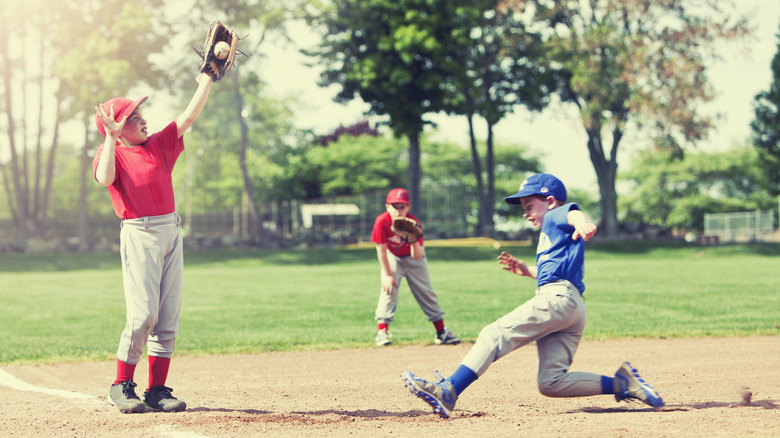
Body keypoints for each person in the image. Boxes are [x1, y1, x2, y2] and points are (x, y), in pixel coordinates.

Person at [401, 173, 664, 418]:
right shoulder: (551, 234)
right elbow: (557, 271)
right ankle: (622, 384)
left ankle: (448, 390)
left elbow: (573, 212)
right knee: (551, 382)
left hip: (558, 300)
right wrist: (528, 271)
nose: (525, 213)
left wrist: (584, 224)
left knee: (493, 334)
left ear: (549, 201)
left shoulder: (555, 215)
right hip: (572, 306)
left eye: (528, 206)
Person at [93, 73, 214, 413]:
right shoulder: (110, 152)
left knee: (166, 316)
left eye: (140, 114)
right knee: (143, 313)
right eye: (133, 117)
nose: (142, 119)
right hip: (139, 232)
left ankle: (157, 390)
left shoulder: (158, 146)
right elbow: (104, 179)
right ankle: (121, 384)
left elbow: (189, 116)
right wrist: (113, 139)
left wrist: (207, 79)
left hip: (170, 231)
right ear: (115, 126)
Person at [371, 188, 460, 347]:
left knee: (426, 292)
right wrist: (388, 275)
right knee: (388, 290)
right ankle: (382, 331)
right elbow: (381, 250)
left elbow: (417, 256)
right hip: (392, 257)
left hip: (414, 259)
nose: (398, 210)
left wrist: (413, 239)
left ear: (408, 207)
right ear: (387, 207)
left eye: (402, 207)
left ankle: (441, 332)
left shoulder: (414, 223)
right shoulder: (381, 221)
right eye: (394, 206)